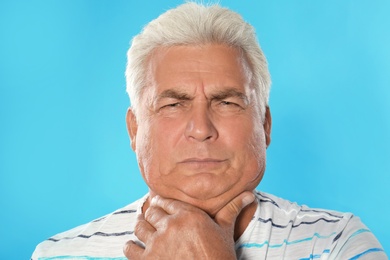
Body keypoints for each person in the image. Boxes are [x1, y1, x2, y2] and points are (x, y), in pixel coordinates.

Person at [32, 2, 387, 259]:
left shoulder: (338, 243)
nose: (201, 129)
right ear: (134, 129)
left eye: (227, 103)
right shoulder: (60, 255)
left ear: (264, 125)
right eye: (173, 105)